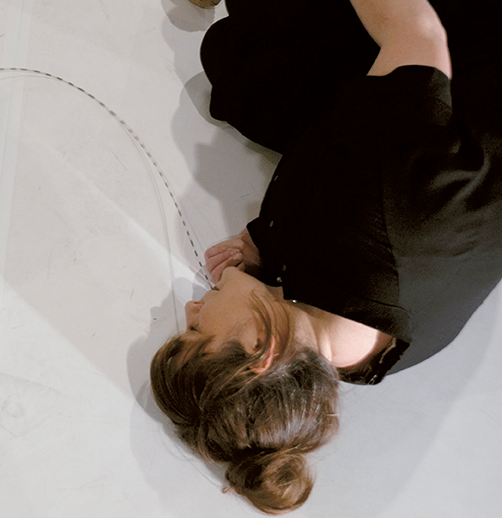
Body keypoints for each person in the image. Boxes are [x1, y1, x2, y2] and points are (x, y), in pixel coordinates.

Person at [151, 0, 502, 513]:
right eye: (196, 332)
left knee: (239, 71)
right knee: (247, 51)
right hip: (469, 50)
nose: (191, 309)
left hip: (434, 133)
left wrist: (269, 253)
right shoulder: (373, 209)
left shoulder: (351, 353)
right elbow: (418, 31)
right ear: (260, 350)